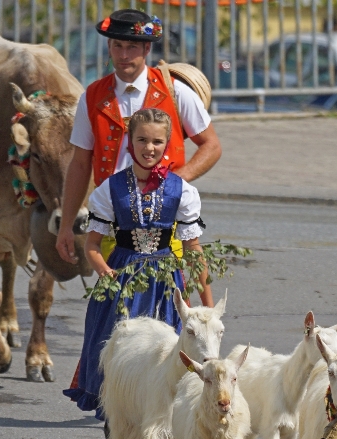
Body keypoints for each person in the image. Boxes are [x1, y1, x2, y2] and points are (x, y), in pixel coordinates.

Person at [63, 108, 204, 439]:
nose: (149, 147)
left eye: (158, 141)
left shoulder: (181, 191)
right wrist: (108, 274)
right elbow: (92, 245)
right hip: (122, 283)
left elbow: (194, 251)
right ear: (130, 141)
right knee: (118, 358)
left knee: (171, 363)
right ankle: (116, 426)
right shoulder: (110, 189)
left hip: (165, 286)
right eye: (142, 140)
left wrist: (205, 305)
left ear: (168, 143)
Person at [55, 8, 221, 307]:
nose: (124, 54)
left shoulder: (175, 92)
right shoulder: (92, 96)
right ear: (108, 47)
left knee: (170, 300)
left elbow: (211, 146)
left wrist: (176, 182)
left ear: (146, 48)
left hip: (166, 218)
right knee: (120, 306)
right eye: (117, 45)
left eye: (132, 46)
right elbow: (80, 164)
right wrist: (67, 224)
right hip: (114, 215)